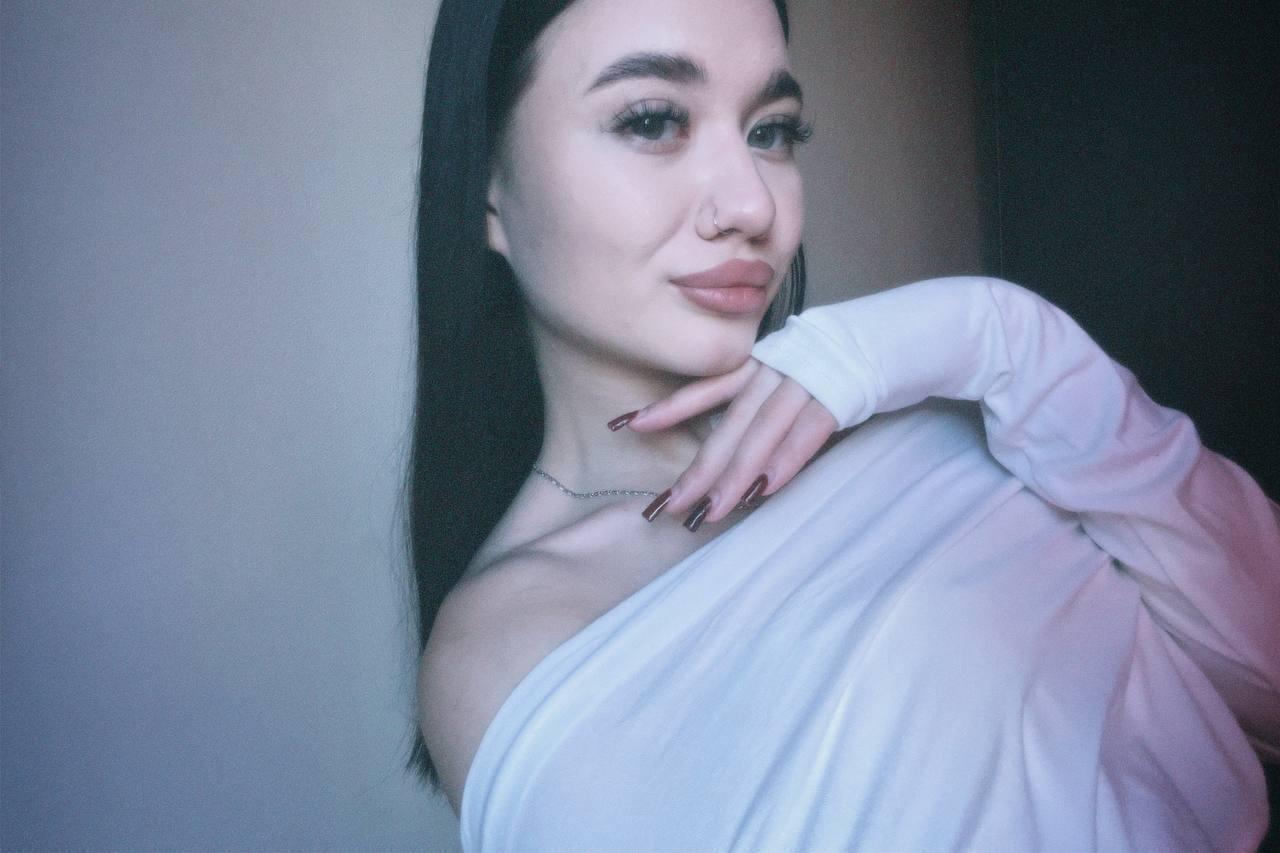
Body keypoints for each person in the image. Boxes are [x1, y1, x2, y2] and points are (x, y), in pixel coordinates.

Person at [407, 0, 1280, 849]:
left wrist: (1004, 333)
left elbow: (1263, 677)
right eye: (652, 120)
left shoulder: (951, 418)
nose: (752, 205)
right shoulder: (510, 643)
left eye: (771, 130)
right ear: (487, 188)